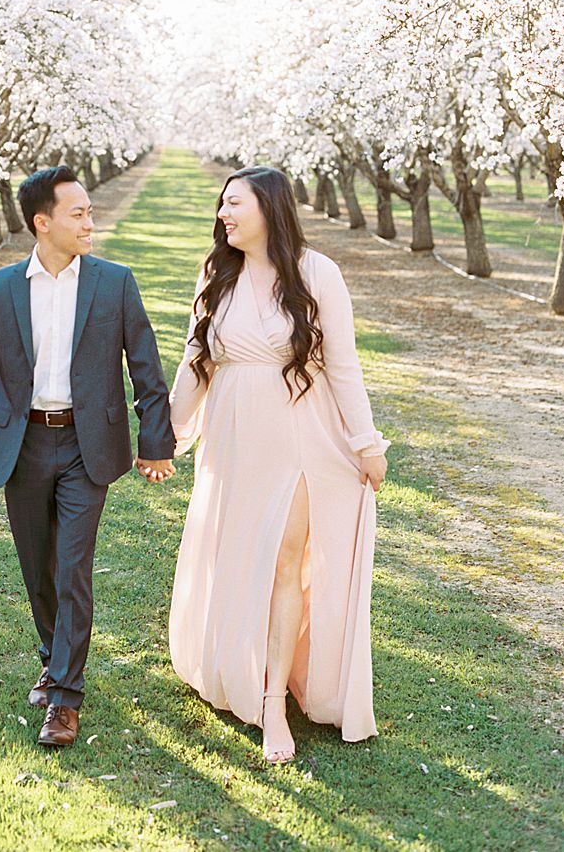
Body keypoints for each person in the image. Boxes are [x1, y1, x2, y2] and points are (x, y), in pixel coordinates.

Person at [168, 165, 389, 761]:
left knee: (285, 562)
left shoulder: (318, 274)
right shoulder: (218, 274)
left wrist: (366, 444)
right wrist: (164, 435)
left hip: (298, 440)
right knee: (241, 556)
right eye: (221, 205)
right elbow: (195, 362)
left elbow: (343, 365)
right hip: (233, 444)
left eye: (233, 203)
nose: (223, 214)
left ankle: (272, 704)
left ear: (268, 206)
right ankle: (243, 666)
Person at [0, 165, 175, 749]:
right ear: (43, 222)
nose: (90, 221)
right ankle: (52, 657)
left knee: (72, 566)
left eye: (89, 211)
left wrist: (155, 443)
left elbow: (147, 369)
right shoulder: (0, 288)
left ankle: (64, 698)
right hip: (23, 444)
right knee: (37, 567)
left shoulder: (114, 283)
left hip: (88, 447)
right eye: (77, 213)